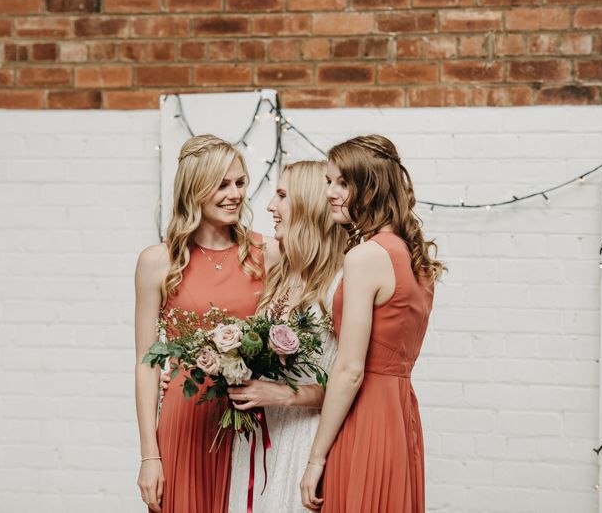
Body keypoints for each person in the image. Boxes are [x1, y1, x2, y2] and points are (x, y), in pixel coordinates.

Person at [134, 134, 279, 513]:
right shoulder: (157, 262)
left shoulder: (270, 253)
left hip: (248, 419)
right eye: (222, 184)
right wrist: (150, 456)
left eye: (240, 182)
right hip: (184, 423)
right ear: (195, 189)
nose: (235, 194)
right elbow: (147, 363)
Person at [300, 134, 444, 513]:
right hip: (398, 414)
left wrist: (315, 459)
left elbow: (349, 371)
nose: (330, 192)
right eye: (329, 181)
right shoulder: (413, 257)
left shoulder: (365, 257)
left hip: (365, 417)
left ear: (371, 187)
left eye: (342, 183)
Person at [227, 160, 347, 513]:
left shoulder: (338, 283)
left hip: (305, 439)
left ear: (309, 205)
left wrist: (281, 395)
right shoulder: (280, 276)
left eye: (281, 195)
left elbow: (353, 384)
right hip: (261, 440)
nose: (269, 206)